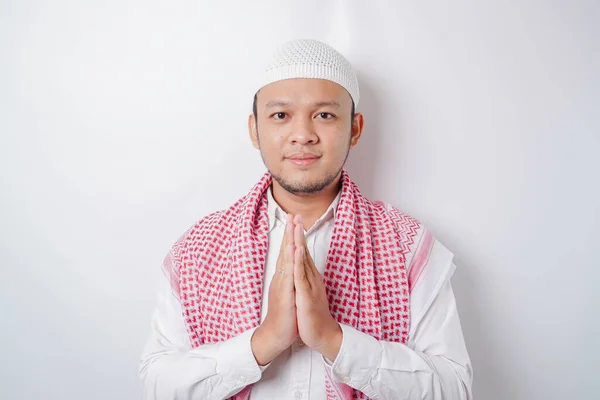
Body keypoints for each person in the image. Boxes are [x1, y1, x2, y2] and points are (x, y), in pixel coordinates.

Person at [138, 39, 473, 400]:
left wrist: (334, 339)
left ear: (355, 128)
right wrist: (263, 342)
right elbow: (157, 385)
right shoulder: (198, 249)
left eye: (324, 115)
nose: (303, 135)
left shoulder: (406, 246)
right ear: (254, 129)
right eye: (280, 115)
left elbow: (455, 389)